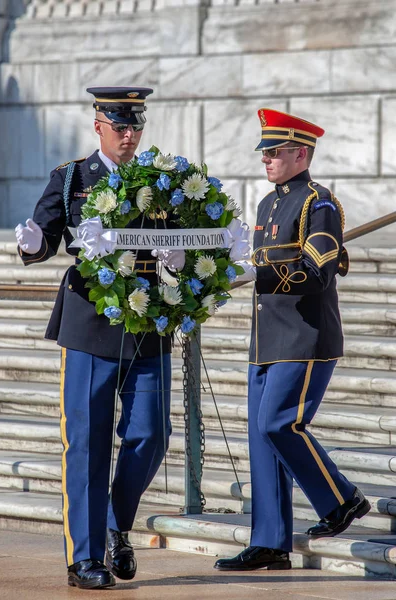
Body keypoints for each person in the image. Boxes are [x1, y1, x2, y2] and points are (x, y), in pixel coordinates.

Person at [15, 87, 176, 589]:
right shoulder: (72, 178)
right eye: (120, 126)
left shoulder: (163, 180)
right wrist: (35, 244)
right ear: (99, 126)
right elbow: (43, 235)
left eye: (136, 127)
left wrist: (182, 260)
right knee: (86, 444)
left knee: (152, 434)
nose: (129, 136)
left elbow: (184, 231)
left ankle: (113, 525)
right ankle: (84, 558)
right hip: (90, 326)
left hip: (148, 326)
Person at [214, 108, 371, 572]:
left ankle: (342, 500)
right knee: (261, 439)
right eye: (264, 151)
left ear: (300, 153)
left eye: (275, 151)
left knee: (279, 425)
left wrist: (258, 271)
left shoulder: (317, 203)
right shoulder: (267, 204)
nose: (266, 159)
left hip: (305, 337)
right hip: (267, 339)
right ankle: (270, 542)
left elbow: (317, 273)